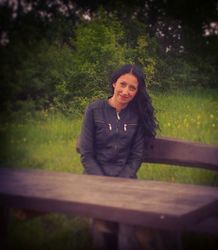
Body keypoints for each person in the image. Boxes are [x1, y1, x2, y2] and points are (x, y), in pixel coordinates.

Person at [78, 64, 158, 249]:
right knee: (100, 220)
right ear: (114, 83)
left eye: (132, 87)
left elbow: (136, 156)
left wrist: (121, 182)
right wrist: (103, 183)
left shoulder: (136, 116)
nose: (126, 91)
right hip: (95, 178)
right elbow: (87, 154)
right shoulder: (94, 110)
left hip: (126, 179)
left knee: (127, 219)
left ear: (137, 92)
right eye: (123, 84)